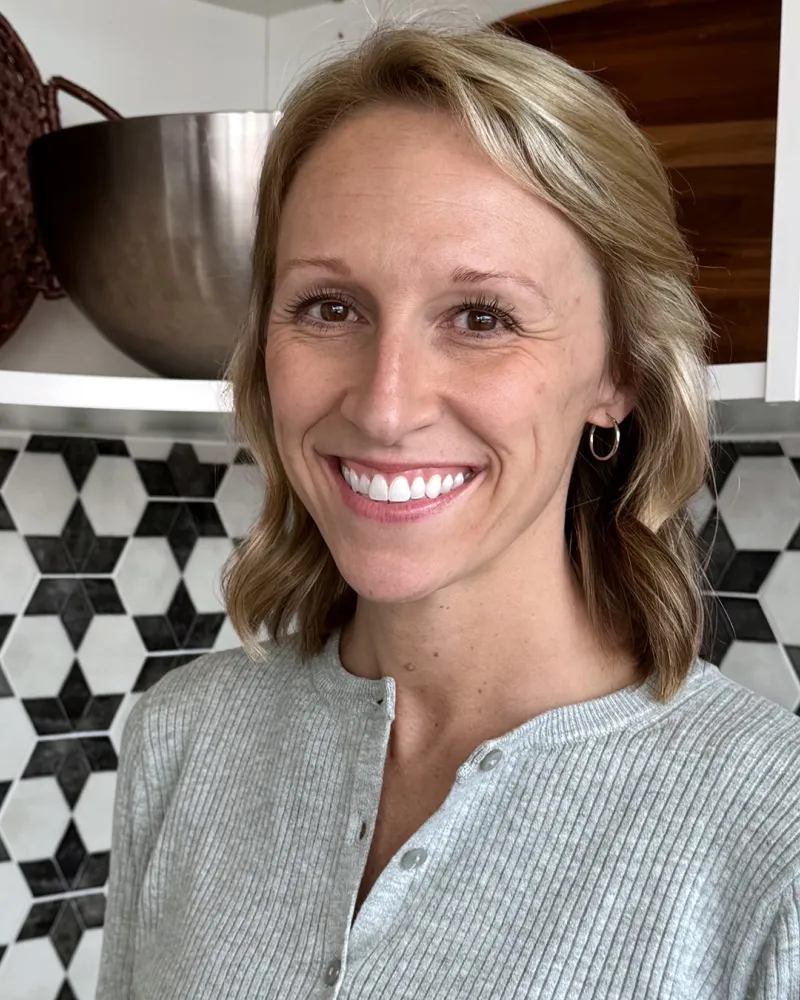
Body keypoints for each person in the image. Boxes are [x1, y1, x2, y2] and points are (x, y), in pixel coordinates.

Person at [96, 21, 800, 1000]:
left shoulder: (774, 848)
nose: (385, 405)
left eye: (481, 317)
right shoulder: (183, 740)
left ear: (619, 375)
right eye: (330, 306)